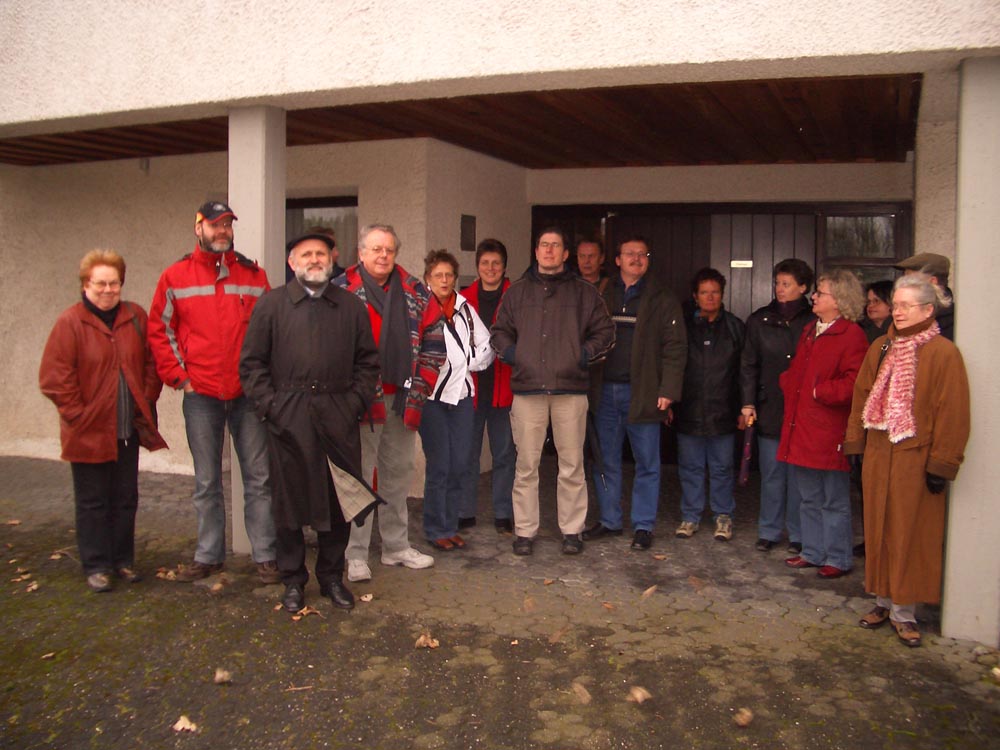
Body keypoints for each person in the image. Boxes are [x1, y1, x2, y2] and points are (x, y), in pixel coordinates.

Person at [240, 233, 381, 613]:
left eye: (321, 253)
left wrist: (353, 404)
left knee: (338, 499)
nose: (315, 259)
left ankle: (332, 577)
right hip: (288, 416)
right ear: (292, 262)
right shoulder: (272, 305)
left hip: (338, 414)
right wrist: (272, 408)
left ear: (331, 259)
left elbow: (368, 363)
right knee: (288, 501)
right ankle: (293, 580)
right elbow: (252, 364)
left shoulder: (351, 306)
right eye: (307, 254)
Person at [148, 201, 278, 583]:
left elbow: (271, 329)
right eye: (215, 225)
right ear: (198, 228)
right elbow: (160, 330)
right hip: (201, 394)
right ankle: (208, 555)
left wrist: (263, 380)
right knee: (206, 481)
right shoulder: (175, 276)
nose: (223, 231)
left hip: (247, 394)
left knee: (259, 478)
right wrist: (181, 378)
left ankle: (266, 556)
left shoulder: (253, 275)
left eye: (227, 225)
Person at [846, 275, 969, 648]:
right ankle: (882, 602)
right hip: (879, 454)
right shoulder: (882, 346)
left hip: (915, 458)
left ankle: (905, 612)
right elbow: (862, 395)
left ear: (928, 310)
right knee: (879, 530)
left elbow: (953, 413)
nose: (897, 312)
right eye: (895, 305)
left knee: (909, 534)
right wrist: (856, 444)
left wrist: (942, 464)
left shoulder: (943, 353)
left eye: (905, 306)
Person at [40, 250, 168, 592]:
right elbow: (54, 378)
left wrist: (146, 396)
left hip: (127, 428)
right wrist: (78, 416)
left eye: (114, 283)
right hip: (88, 432)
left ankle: (123, 561)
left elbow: (151, 362)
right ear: (86, 284)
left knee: (125, 498)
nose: (108, 290)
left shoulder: (135, 316)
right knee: (93, 502)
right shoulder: (71, 322)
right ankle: (97, 565)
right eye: (100, 283)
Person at [491, 227, 615, 556]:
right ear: (536, 251)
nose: (549, 250)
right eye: (544, 245)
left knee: (572, 464)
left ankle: (572, 530)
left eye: (555, 245)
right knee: (526, 466)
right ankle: (524, 531)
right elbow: (499, 332)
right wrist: (517, 355)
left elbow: (605, 331)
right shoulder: (517, 292)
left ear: (565, 254)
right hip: (528, 390)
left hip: (570, 390)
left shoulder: (584, 293)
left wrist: (582, 355)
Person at [335, 224, 435, 582]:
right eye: (376, 249)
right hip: (361, 400)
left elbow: (434, 340)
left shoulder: (414, 290)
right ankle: (355, 553)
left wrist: (421, 387)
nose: (383, 255)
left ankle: (395, 547)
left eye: (389, 250)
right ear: (361, 253)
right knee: (359, 478)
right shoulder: (341, 290)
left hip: (403, 398)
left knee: (398, 474)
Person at [584, 236, 686, 550]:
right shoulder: (600, 293)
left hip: (644, 393)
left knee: (647, 463)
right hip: (604, 392)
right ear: (617, 260)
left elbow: (675, 347)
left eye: (643, 254)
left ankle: (643, 526)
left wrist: (668, 389)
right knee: (605, 461)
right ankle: (610, 520)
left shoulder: (662, 297)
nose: (637, 259)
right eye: (630, 253)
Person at [780, 269, 868, 579]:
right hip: (803, 427)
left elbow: (856, 383)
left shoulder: (852, 335)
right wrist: (789, 383)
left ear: (839, 300)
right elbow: (797, 371)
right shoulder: (810, 330)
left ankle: (838, 557)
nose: (814, 296)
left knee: (834, 500)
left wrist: (820, 391)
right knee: (809, 497)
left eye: (821, 293)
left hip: (830, 431)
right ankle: (813, 552)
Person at [415, 250, 494, 550]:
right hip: (431, 398)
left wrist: (466, 361)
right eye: (438, 275)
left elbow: (487, 346)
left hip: (461, 396)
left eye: (449, 275)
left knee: (460, 463)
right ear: (428, 279)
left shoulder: (464, 308)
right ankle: (435, 528)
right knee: (440, 465)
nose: (445, 280)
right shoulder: (420, 310)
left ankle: (450, 525)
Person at [739, 259, 816, 554]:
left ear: (803, 287)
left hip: (803, 410)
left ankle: (798, 533)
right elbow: (748, 364)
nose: (780, 289)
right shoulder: (760, 320)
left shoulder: (814, 320)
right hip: (770, 404)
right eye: (777, 283)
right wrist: (748, 402)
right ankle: (769, 530)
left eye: (786, 284)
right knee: (772, 473)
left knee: (799, 476)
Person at [673, 268, 745, 542]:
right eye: (704, 292)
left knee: (722, 468)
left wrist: (744, 406)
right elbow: (672, 364)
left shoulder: (735, 327)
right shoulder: (683, 326)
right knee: (690, 468)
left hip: (723, 410)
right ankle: (690, 516)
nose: (710, 297)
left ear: (722, 294)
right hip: (689, 409)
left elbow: (744, 371)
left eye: (715, 292)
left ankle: (723, 515)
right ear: (695, 296)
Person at [460, 239, 516, 533]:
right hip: (470, 389)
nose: (490, 268)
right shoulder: (463, 299)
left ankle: (503, 513)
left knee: (504, 453)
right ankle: (464, 511)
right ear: (477, 266)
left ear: (504, 267)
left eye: (496, 263)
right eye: (485, 263)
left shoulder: (516, 297)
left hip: (504, 388)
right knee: (467, 452)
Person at [893, 252, 955, 340]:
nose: (905, 284)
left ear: (932, 282)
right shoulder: (896, 316)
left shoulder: (957, 322)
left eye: (911, 280)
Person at [861, 279, 894, 344]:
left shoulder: (899, 331)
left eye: (876, 301)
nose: (870, 306)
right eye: (868, 302)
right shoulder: (860, 331)